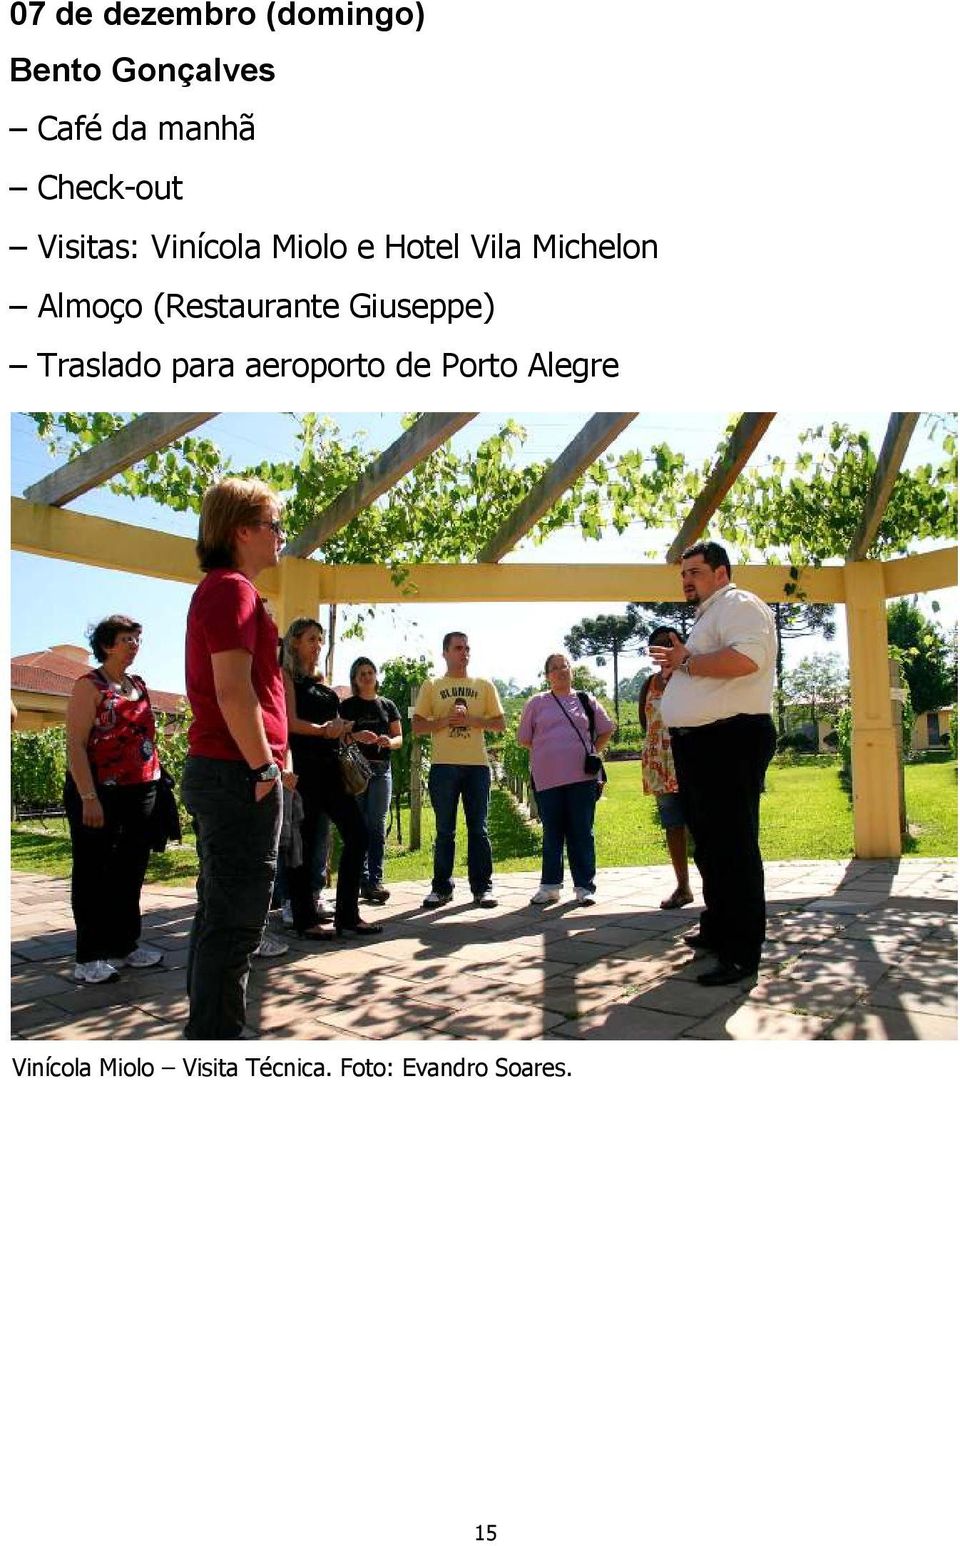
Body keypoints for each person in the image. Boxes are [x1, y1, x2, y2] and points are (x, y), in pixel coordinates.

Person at [182, 477, 292, 1041]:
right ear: (241, 530)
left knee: (219, 916)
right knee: (235, 923)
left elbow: (255, 689)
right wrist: (263, 767)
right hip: (236, 774)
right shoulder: (231, 590)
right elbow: (232, 692)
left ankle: (207, 1032)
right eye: (274, 524)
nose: (281, 536)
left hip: (230, 770)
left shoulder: (227, 590)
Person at [651, 540, 777, 987]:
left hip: (730, 739)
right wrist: (685, 666)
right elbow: (703, 668)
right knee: (710, 845)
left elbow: (747, 659)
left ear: (721, 573)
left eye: (696, 572)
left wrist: (688, 661)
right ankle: (720, 928)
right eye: (684, 573)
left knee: (733, 848)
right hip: (702, 743)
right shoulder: (710, 613)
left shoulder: (739, 604)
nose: (687, 580)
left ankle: (741, 954)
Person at [64, 615, 164, 985]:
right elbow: (75, 744)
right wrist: (88, 796)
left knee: (130, 870)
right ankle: (88, 957)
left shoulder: (138, 685)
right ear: (107, 644)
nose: (134, 645)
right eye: (127, 639)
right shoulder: (88, 686)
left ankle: (125, 945)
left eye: (137, 638)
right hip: (98, 793)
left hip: (141, 791)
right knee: (93, 872)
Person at [281, 619, 382, 939]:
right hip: (304, 771)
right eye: (312, 638)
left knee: (359, 834)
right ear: (295, 642)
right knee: (305, 845)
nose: (318, 645)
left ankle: (347, 915)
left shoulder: (320, 680)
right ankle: (304, 918)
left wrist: (352, 734)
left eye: (320, 639)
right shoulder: (286, 677)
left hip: (331, 769)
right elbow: (290, 723)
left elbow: (333, 727)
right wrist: (325, 729)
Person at [412, 632, 505, 909]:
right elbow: (417, 726)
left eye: (467, 648)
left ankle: (483, 888)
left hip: (477, 767)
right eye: (457, 648)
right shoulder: (432, 685)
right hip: (443, 767)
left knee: (479, 830)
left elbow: (500, 724)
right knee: (444, 831)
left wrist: (472, 719)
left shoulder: (483, 684)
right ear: (445, 653)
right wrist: (444, 721)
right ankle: (441, 888)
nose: (464, 653)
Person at [517, 653, 614, 905]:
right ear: (547, 675)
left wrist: (592, 750)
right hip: (547, 780)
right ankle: (550, 886)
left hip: (582, 778)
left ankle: (584, 887)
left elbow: (606, 729)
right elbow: (524, 739)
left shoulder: (585, 699)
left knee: (582, 831)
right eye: (555, 668)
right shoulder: (536, 703)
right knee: (552, 832)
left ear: (571, 671)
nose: (561, 671)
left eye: (565, 666)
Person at [639, 627, 693, 910]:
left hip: (690, 760)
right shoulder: (649, 684)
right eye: (656, 646)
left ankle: (717, 888)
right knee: (672, 824)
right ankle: (682, 887)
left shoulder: (691, 677)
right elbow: (645, 722)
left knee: (701, 824)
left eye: (668, 643)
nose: (663, 650)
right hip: (661, 763)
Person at [340, 656, 402, 904]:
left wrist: (389, 741)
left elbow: (399, 738)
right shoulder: (348, 707)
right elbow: (340, 738)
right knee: (359, 823)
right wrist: (356, 736)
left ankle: (375, 879)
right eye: (361, 673)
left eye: (370, 672)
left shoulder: (387, 705)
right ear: (355, 679)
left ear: (376, 676)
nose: (366, 676)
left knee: (377, 823)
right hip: (356, 770)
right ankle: (360, 878)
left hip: (381, 769)